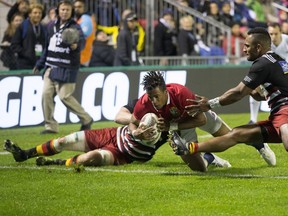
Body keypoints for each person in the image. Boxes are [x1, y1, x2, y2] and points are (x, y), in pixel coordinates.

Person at [170, 27, 287, 162]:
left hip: (285, 111)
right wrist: (254, 92)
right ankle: (189, 148)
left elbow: (238, 92)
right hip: (277, 115)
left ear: (258, 47)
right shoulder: (277, 60)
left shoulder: (262, 64)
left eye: (247, 46)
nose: (244, 49)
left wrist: (209, 104)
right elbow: (261, 94)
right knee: (237, 134)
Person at [129, 71, 275, 168]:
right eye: (150, 97)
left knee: (229, 136)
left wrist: (170, 126)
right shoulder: (143, 103)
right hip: (179, 127)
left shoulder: (180, 94)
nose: (153, 101)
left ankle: (258, 143)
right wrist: (136, 133)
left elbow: (201, 120)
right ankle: (209, 158)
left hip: (193, 117)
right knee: (199, 169)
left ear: (166, 92)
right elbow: (133, 121)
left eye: (156, 96)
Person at [34, 0, 93, 134]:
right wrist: (40, 63)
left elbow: (82, 42)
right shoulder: (50, 26)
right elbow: (47, 47)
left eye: (67, 9)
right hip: (51, 67)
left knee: (64, 96)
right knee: (46, 95)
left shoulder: (75, 27)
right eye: (62, 9)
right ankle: (50, 126)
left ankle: (86, 119)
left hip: (68, 68)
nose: (64, 12)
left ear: (71, 11)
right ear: (58, 11)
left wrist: (76, 46)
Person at [248, 22, 288, 124]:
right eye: (271, 34)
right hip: (271, 72)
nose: (273, 37)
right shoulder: (265, 44)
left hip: (285, 71)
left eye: (276, 34)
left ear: (281, 32)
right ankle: (253, 119)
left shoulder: (287, 41)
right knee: (254, 87)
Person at [10, 3, 46, 70]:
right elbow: (14, 45)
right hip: (24, 64)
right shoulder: (23, 26)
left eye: (39, 13)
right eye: (35, 13)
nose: (37, 15)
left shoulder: (44, 28)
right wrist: (26, 53)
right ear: (29, 14)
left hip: (40, 63)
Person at [73, 0, 96, 66]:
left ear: (84, 8)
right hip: (78, 57)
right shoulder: (78, 19)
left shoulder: (86, 19)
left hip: (83, 57)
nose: (77, 9)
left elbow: (81, 37)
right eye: (75, 7)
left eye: (79, 7)